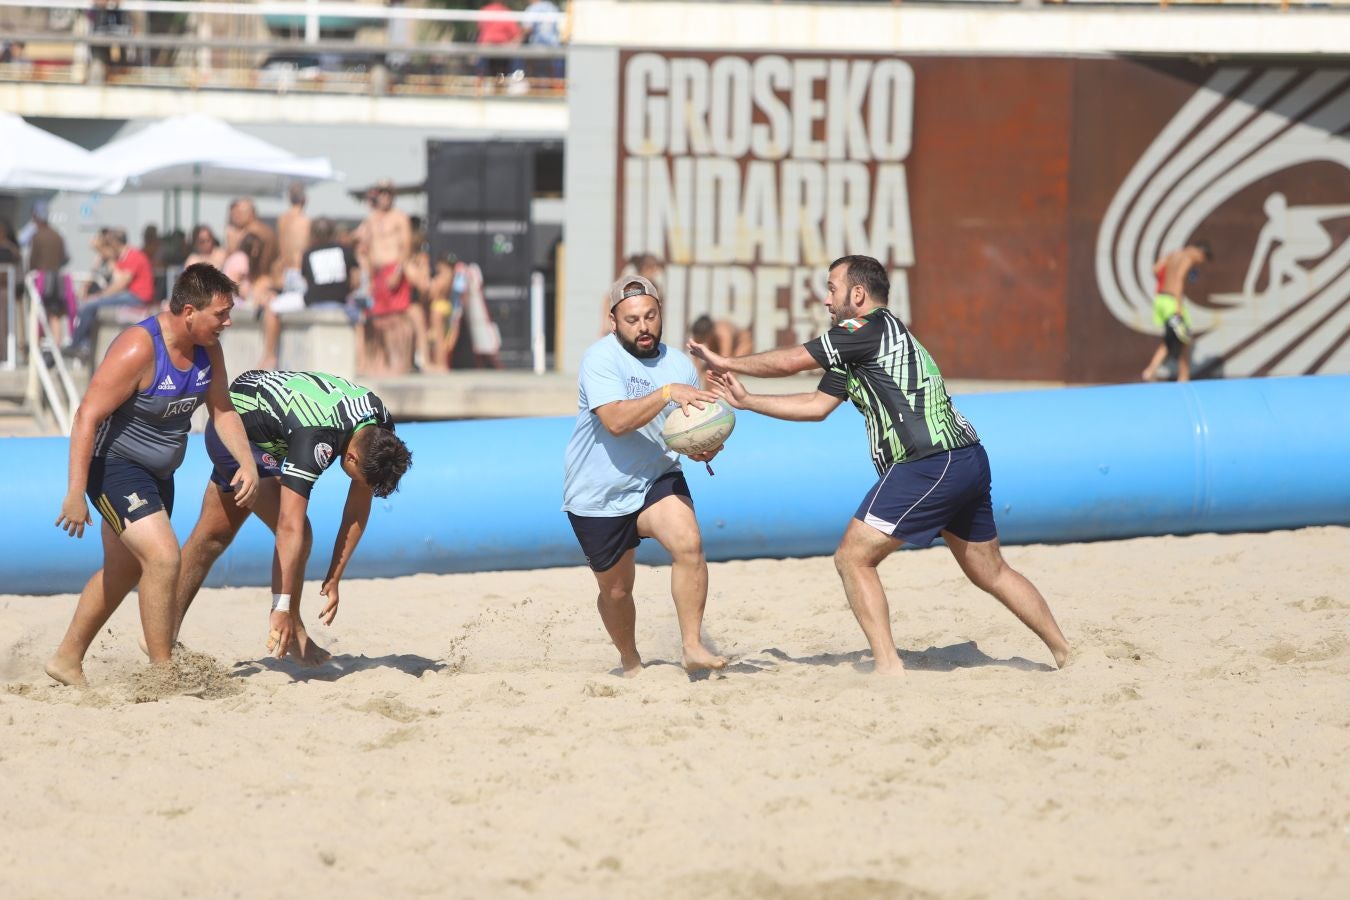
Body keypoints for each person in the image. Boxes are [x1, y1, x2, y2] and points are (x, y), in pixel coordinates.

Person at [688, 255, 1070, 676]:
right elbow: (816, 406)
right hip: (964, 458)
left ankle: (889, 667)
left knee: (853, 557)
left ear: (857, 293)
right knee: (991, 570)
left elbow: (792, 361)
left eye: (832, 288)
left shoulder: (866, 328)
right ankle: (1066, 653)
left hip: (930, 462)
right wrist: (749, 402)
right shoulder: (859, 347)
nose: (826, 299)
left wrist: (726, 362)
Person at [46, 264, 259, 687]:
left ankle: (66, 659)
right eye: (221, 313)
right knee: (164, 557)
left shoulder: (208, 347)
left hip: (160, 475)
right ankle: (164, 673)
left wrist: (248, 462)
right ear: (188, 312)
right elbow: (86, 415)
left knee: (124, 571)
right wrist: (74, 491)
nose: (228, 321)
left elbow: (222, 409)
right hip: (114, 468)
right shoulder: (139, 348)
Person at [174, 370, 413, 663]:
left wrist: (334, 578)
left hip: (262, 422)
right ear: (351, 459)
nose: (363, 488)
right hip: (234, 431)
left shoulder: (377, 428)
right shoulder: (317, 439)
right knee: (302, 532)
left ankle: (161, 634)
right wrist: (281, 605)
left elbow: (356, 509)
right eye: (363, 480)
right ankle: (292, 627)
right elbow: (288, 526)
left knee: (212, 536)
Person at [563, 274, 728, 677]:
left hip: (654, 477)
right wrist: (666, 393)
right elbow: (617, 421)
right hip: (598, 492)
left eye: (650, 316)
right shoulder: (600, 358)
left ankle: (692, 645)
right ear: (614, 321)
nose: (643, 326)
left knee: (688, 541)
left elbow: (680, 430)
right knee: (617, 591)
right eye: (633, 319)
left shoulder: (678, 366)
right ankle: (630, 660)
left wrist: (702, 446)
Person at [259, 217, 361, 370]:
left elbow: (306, 281)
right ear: (333, 233)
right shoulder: (345, 250)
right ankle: (361, 364)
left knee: (272, 307)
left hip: (312, 299)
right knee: (361, 321)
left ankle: (269, 355)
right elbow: (355, 281)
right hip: (341, 300)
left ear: (312, 234)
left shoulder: (308, 253)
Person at [65, 227, 156, 357]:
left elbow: (120, 284)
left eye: (109, 243)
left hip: (138, 297)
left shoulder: (133, 256)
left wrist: (99, 296)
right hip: (132, 295)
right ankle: (83, 343)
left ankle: (77, 344)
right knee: (90, 306)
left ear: (115, 243)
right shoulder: (123, 257)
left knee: (90, 305)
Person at [354, 180, 415, 375]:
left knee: (397, 319)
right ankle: (382, 362)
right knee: (377, 320)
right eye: (382, 193)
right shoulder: (371, 220)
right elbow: (361, 245)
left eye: (389, 192)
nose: (386, 196)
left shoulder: (399, 217)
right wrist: (367, 275)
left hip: (393, 269)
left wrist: (398, 270)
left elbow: (406, 247)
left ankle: (401, 362)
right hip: (377, 273)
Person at [1142, 240, 1212, 383]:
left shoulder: (1174, 254)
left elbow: (1156, 269)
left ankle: (1150, 371)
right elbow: (1179, 280)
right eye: (1201, 259)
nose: (1199, 262)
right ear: (1199, 252)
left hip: (1161, 300)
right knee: (1184, 337)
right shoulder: (1188, 258)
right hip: (1173, 302)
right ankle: (1183, 376)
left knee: (1173, 338)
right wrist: (1178, 307)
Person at [27, 201, 71, 344]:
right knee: (55, 315)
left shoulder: (37, 236)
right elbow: (65, 258)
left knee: (37, 314)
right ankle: (56, 349)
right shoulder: (57, 235)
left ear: (36, 217)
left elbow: (33, 261)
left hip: (41, 280)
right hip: (57, 279)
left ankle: (35, 351)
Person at [688, 314, 752, 385]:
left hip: (741, 343)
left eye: (701, 340)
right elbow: (696, 361)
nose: (699, 341)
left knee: (730, 371)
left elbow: (724, 361)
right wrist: (697, 377)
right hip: (719, 345)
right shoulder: (700, 333)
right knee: (708, 372)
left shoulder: (723, 334)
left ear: (709, 334)